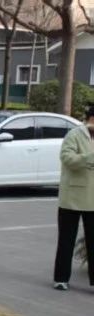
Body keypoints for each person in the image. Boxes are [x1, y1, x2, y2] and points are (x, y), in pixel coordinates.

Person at [54, 104, 94, 290]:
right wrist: (89, 157)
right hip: (72, 197)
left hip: (92, 199)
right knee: (66, 240)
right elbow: (67, 158)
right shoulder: (74, 135)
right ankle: (61, 279)